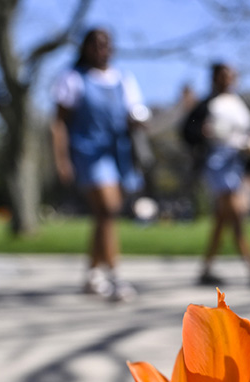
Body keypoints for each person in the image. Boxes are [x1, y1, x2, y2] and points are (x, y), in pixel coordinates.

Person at [51, 27, 147, 301]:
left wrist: (139, 120)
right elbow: (58, 123)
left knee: (103, 215)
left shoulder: (122, 79)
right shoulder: (73, 79)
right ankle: (115, 277)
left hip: (118, 153)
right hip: (88, 153)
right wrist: (62, 160)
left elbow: (134, 112)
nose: (101, 49)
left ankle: (92, 275)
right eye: (95, 44)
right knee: (107, 208)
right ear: (85, 48)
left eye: (106, 44)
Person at [182, 62, 250, 287]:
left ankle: (206, 269)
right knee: (237, 212)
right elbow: (188, 129)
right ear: (214, 78)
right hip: (217, 161)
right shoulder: (207, 104)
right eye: (223, 75)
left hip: (238, 162)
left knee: (223, 218)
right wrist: (202, 132)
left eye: (232, 75)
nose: (228, 79)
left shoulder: (242, 103)